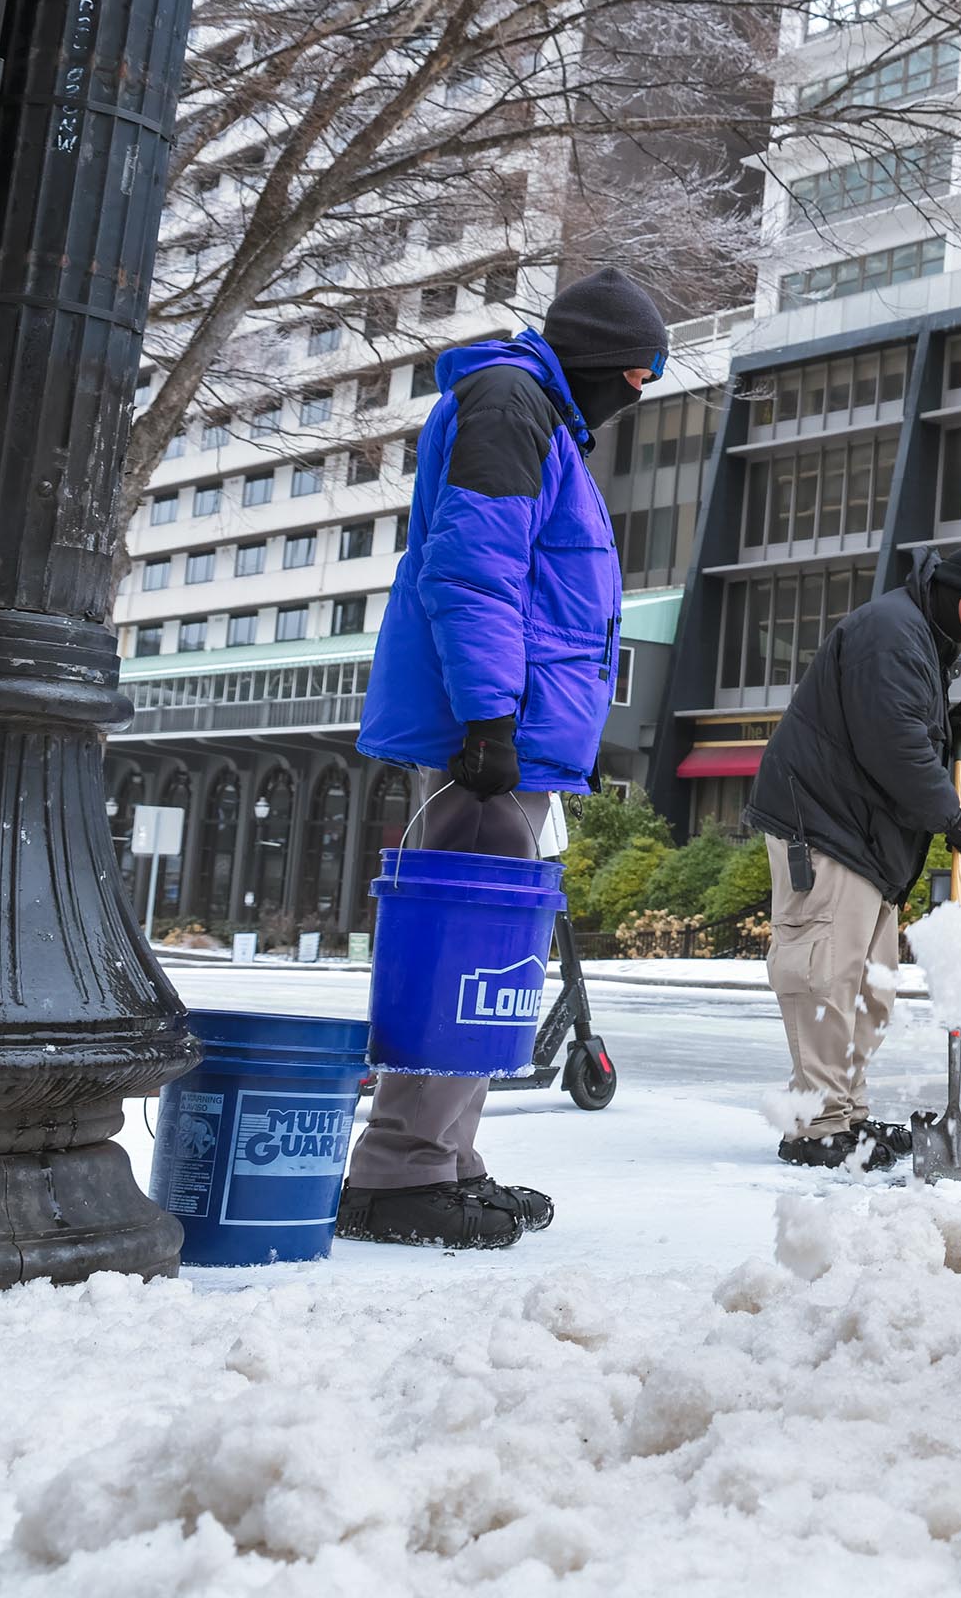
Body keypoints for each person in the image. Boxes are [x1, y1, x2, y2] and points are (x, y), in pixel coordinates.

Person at [339, 264, 672, 1249]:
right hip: (496, 731)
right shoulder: (510, 403)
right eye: (640, 379)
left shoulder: (535, 413)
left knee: (494, 957)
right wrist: (490, 717)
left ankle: (442, 1156)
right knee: (471, 954)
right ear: (610, 363)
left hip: (519, 730)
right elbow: (477, 564)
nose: (635, 399)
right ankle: (401, 1170)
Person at [745, 538, 961, 1169]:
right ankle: (815, 1125)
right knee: (824, 978)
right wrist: (947, 810)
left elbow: (904, 725)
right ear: (949, 591)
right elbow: (889, 741)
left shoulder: (919, 637)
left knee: (870, 991)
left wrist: (946, 727)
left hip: (863, 839)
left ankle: (846, 1115)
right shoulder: (891, 632)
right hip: (826, 827)